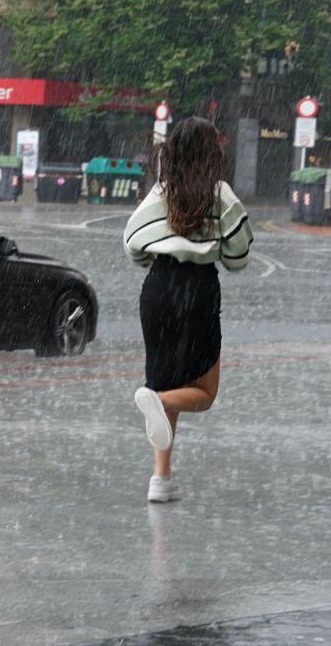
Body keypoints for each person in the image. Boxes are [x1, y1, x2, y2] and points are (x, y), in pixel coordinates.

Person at [123, 117, 253, 503]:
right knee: (202, 391)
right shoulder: (220, 195)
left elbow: (132, 240)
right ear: (212, 152)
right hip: (198, 289)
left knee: (167, 380)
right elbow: (240, 253)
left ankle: (160, 480)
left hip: (158, 288)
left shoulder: (160, 193)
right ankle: (157, 402)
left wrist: (159, 260)